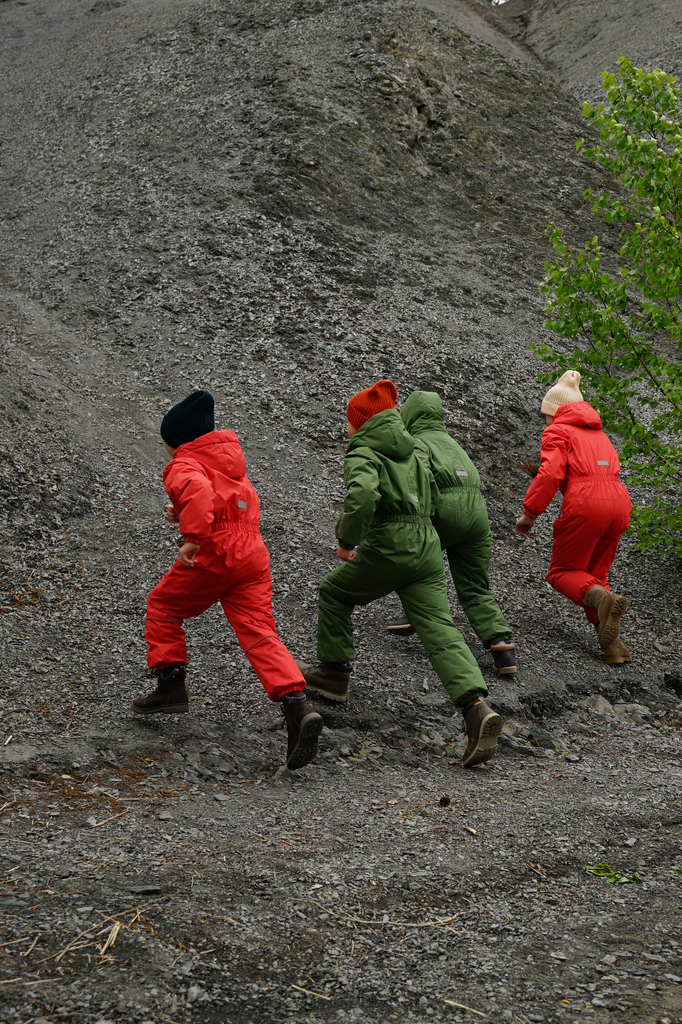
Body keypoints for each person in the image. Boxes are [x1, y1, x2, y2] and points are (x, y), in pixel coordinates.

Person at [298, 379, 503, 768]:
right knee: (439, 628)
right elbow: (435, 495)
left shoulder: (363, 451)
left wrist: (347, 541)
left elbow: (363, 496)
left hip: (391, 545)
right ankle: (477, 708)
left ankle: (334, 673)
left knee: (334, 593)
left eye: (349, 420)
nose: (348, 427)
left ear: (360, 423)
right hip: (427, 547)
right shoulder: (415, 448)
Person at [132, 389, 323, 770]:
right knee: (258, 630)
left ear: (177, 440)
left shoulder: (183, 463)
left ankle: (170, 685)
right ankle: (297, 706)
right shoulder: (232, 465)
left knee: (163, 606)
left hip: (216, 552)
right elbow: (226, 503)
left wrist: (192, 536)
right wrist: (183, 512)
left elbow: (201, 494)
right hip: (253, 555)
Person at [386, 391, 516, 674]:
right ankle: (502, 646)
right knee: (475, 586)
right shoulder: (454, 444)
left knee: (416, 562)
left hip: (445, 513)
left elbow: (418, 478)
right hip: (477, 519)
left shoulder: (418, 442)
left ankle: (416, 613)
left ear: (409, 416)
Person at [515, 370, 632, 664]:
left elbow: (550, 473)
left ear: (555, 411)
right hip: (620, 504)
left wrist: (530, 513)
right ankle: (613, 646)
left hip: (587, 504)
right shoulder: (600, 435)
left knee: (562, 572)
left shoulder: (557, 431)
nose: (545, 419)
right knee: (595, 576)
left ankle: (603, 601)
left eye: (546, 413)